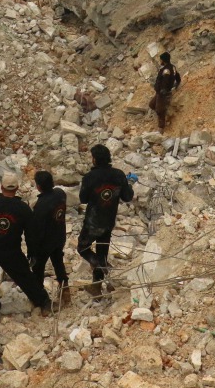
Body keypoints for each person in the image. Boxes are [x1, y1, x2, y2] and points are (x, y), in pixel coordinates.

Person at [0, 173, 53, 322]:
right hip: (11, 251)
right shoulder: (23, 209)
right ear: (17, 189)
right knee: (25, 277)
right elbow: (30, 235)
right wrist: (32, 253)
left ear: (1, 188)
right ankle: (44, 302)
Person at [77, 145, 135, 297]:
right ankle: (96, 287)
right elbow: (127, 197)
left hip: (92, 222)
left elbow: (83, 199)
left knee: (83, 248)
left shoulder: (90, 177)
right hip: (109, 221)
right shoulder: (118, 175)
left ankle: (103, 267)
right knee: (101, 253)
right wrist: (128, 184)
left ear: (94, 159)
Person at [29, 170, 70, 304]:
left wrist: (32, 250)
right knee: (58, 262)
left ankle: (40, 297)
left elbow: (37, 230)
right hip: (59, 236)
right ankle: (65, 290)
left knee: (38, 268)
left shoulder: (41, 206)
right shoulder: (60, 193)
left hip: (46, 242)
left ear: (38, 186)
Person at [148, 52, 181, 132]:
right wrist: (177, 83)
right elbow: (177, 76)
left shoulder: (166, 70)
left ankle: (161, 127)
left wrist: (163, 90)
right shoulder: (172, 67)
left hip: (162, 93)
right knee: (152, 104)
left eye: (161, 59)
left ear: (163, 60)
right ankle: (163, 108)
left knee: (159, 110)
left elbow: (165, 81)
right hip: (160, 92)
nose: (160, 61)